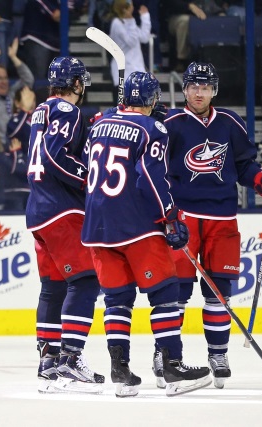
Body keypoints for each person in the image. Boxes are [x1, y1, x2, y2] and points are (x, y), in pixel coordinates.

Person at [161, 62, 262, 389]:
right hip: (183, 218)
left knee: (219, 292)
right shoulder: (171, 123)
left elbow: (245, 166)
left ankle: (218, 353)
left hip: (223, 220)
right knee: (175, 292)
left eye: (204, 86)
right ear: (184, 89)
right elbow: (156, 169)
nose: (198, 92)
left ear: (214, 89)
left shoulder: (230, 122)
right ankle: (167, 354)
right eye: (192, 86)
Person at [82, 71, 210, 397]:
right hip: (135, 225)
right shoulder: (153, 128)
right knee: (165, 293)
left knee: (117, 301)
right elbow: (150, 179)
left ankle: (120, 371)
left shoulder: (99, 124)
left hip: (97, 226)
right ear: (153, 100)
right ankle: (172, 366)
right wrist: (168, 217)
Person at [27, 57, 104, 394]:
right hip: (62, 209)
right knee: (86, 280)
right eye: (81, 81)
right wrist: (90, 178)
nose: (83, 87)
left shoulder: (40, 111)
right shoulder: (68, 111)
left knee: (53, 285)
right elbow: (55, 156)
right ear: (75, 83)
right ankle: (70, 358)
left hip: (38, 209)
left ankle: (49, 361)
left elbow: (46, 153)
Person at [108, 0, 151, 100]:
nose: (133, 6)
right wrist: (131, 21)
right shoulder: (116, 23)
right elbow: (130, 41)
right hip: (124, 72)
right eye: (131, 5)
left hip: (137, 70)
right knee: (124, 109)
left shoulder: (131, 22)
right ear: (125, 8)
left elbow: (144, 37)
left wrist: (145, 18)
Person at [5, 85, 36, 210]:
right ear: (17, 103)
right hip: (16, 184)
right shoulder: (15, 120)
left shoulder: (39, 122)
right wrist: (25, 111)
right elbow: (13, 130)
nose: (31, 103)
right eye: (27, 99)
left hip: (34, 184)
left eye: (33, 99)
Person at [19, 0, 61, 81]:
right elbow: (56, 15)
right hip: (37, 38)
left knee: (55, 82)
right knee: (38, 81)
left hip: (55, 41)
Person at [163, 1, 208, 72]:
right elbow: (172, 4)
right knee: (185, 21)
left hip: (199, 17)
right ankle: (181, 60)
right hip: (176, 17)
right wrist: (190, 6)